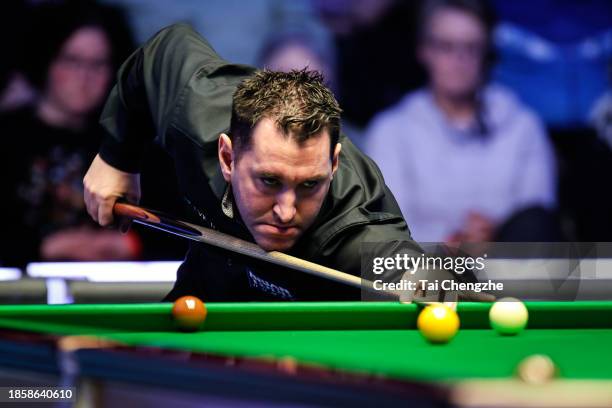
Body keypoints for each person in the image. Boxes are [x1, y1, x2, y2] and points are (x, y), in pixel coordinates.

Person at [83, 23, 422, 302]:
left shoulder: (356, 232)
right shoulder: (198, 114)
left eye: (309, 185)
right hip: (211, 285)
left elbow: (433, 274)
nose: (286, 211)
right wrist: (117, 158)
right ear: (227, 157)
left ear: (332, 165)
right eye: (269, 181)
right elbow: (163, 51)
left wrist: (441, 282)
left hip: (314, 325)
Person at [365, 0, 559, 244]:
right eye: (446, 46)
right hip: (421, 269)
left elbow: (537, 214)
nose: (459, 59)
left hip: (506, 265)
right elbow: (386, 226)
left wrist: (493, 234)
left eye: (471, 47)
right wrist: (451, 243)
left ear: (487, 53)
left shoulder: (524, 127)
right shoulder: (390, 132)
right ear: (424, 51)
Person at [0, 2, 142, 267]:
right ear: (46, 60)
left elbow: (176, 228)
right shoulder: (7, 139)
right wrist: (44, 247)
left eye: (98, 64)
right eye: (72, 60)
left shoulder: (130, 142)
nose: (85, 77)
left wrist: (133, 243)